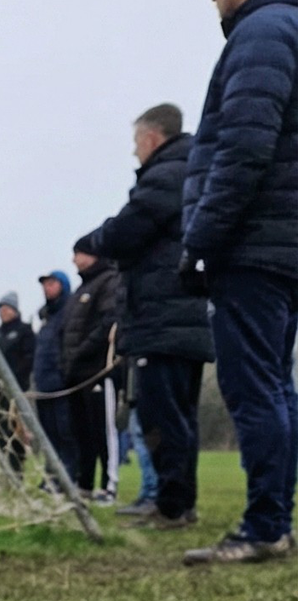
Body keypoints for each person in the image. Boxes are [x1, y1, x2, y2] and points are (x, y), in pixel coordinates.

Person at [178, 0, 298, 567]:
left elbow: (243, 149)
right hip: (279, 245)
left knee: (255, 388)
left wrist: (201, 239)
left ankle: (262, 528)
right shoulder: (285, 27)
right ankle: (273, 521)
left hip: (254, 246)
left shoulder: (262, 31)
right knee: (276, 386)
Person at [73, 104, 210, 529]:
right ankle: (179, 502)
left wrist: (93, 239)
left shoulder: (166, 176)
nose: (135, 152)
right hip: (181, 320)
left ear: (152, 137)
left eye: (136, 142)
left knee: (160, 416)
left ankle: (170, 505)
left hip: (162, 321)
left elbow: (124, 231)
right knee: (179, 416)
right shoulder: (190, 170)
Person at [62, 252, 121, 500]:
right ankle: (84, 484)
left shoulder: (109, 281)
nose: (74, 259)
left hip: (98, 370)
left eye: (79, 253)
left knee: (103, 430)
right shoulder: (80, 291)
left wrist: (84, 350)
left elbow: (108, 322)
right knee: (82, 432)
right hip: (76, 373)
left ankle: (109, 485)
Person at [30, 271, 77, 483]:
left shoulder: (69, 312)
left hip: (62, 385)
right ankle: (51, 475)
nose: (46, 288)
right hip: (43, 386)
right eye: (45, 284)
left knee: (65, 432)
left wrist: (63, 373)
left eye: (51, 283)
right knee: (48, 434)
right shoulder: (45, 318)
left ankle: (67, 476)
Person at [0, 291, 36, 475]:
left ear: (15, 310)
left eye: (7, 308)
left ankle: (17, 470)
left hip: (17, 390)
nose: (3, 312)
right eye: (1, 308)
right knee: (0, 431)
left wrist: (14, 378)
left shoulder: (24, 331)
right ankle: (4, 469)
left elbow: (29, 358)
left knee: (16, 431)